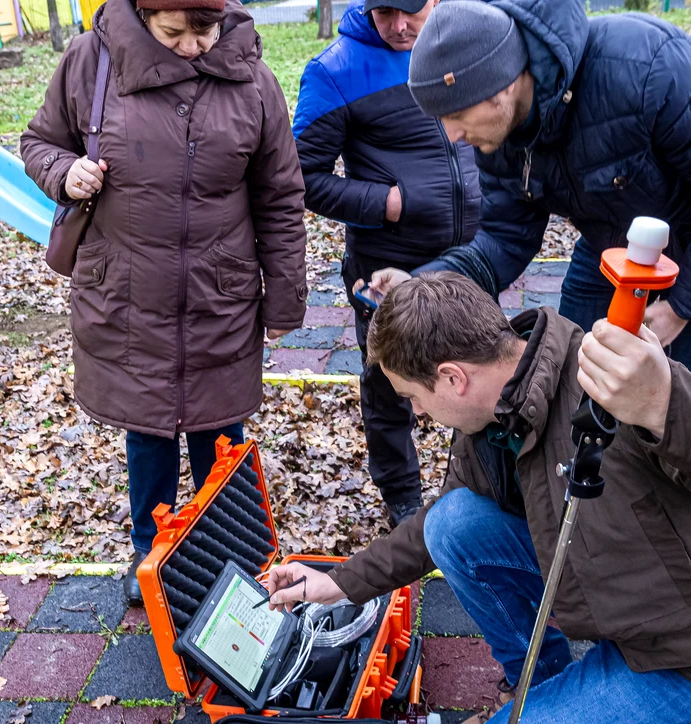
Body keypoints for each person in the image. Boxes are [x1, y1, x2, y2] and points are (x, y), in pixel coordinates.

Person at [267, 272, 691, 723]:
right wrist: (337, 583)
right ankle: (539, 682)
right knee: (453, 523)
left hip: (674, 653)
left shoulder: (614, 390)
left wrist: (663, 401)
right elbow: (437, 528)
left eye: (413, 396)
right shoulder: (494, 412)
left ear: (453, 377)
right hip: (614, 599)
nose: (418, 413)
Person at [21, 0, 308, 605]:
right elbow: (39, 142)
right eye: (174, 32)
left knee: (219, 434)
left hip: (218, 297)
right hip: (127, 299)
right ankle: (151, 550)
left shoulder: (253, 77)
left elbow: (280, 195)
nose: (191, 46)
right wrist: (64, 171)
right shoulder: (88, 61)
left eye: (203, 31)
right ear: (144, 14)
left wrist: (284, 296)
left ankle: (223, 554)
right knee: (147, 431)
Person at [360, 0, 691, 366]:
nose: (452, 136)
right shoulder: (498, 136)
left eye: (456, 115)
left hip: (685, 253)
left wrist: (679, 307)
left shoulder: (650, 69)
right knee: (576, 373)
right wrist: (418, 284)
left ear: (501, 86)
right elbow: (502, 240)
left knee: (677, 394)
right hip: (610, 246)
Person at [292, 0, 480, 526]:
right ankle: (402, 495)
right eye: (384, 12)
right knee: (389, 380)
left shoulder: (458, 45)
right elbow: (303, 176)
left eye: (410, 11)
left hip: (469, 255)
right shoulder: (335, 69)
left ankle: (478, 481)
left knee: (477, 371)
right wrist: (385, 203)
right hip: (386, 258)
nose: (399, 26)